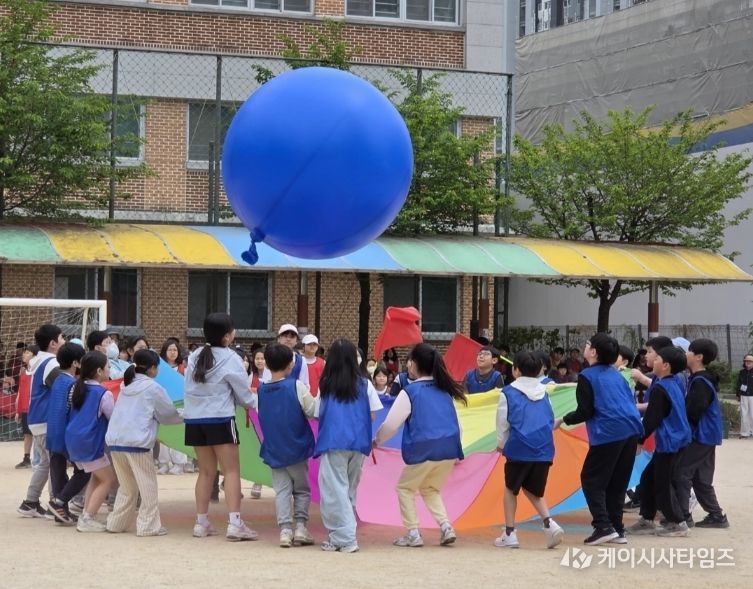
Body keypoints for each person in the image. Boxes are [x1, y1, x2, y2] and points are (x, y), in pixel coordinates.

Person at [554, 333, 643, 545]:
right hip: (630, 431)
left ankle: (603, 526)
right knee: (617, 483)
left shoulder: (587, 375)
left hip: (609, 432)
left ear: (593, 352)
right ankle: (617, 529)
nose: (585, 347)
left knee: (591, 479)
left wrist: (563, 419)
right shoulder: (617, 375)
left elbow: (585, 411)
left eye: (587, 344)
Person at [374, 343, 464, 548]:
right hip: (449, 448)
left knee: (405, 488)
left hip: (424, 448)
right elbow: (458, 423)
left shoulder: (410, 391)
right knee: (430, 489)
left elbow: (391, 424)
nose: (408, 365)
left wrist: (376, 440)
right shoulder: (446, 391)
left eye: (409, 362)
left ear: (414, 364)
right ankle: (446, 526)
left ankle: (413, 532)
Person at [184, 312, 258, 541]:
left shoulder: (194, 356)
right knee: (231, 471)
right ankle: (235, 524)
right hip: (220, 419)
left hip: (195, 420)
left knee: (206, 471)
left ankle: (201, 523)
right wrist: (258, 402)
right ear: (227, 336)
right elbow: (244, 396)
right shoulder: (231, 358)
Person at [314, 339, 383, 553]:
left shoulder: (326, 385)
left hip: (334, 441)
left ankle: (344, 537)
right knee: (348, 490)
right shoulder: (365, 384)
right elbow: (373, 414)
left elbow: (317, 413)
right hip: (358, 443)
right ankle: (341, 535)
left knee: (335, 491)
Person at [106, 349, 183, 537]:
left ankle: (116, 523)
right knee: (147, 486)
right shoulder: (153, 388)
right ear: (153, 368)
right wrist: (186, 414)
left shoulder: (127, 386)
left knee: (127, 487)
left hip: (115, 441)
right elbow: (168, 414)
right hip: (137, 443)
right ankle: (148, 526)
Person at [494, 351, 564, 549]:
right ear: (540, 370)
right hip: (544, 449)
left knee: (511, 489)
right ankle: (550, 523)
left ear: (515, 370)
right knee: (533, 490)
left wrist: (501, 445)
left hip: (519, 448)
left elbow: (502, 423)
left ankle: (509, 533)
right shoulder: (545, 393)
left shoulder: (507, 393)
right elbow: (549, 419)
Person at [627, 346, 692, 537]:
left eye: (657, 359)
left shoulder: (661, 388)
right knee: (648, 478)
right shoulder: (673, 382)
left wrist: (639, 440)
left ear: (665, 366)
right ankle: (647, 520)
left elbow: (652, 419)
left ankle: (678, 523)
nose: (652, 360)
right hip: (676, 439)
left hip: (671, 442)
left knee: (662, 483)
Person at [257, 344, 317, 548]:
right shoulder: (296, 386)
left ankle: (284, 530)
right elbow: (312, 411)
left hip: (274, 448)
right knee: (301, 490)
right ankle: (300, 527)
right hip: (297, 447)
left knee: (281, 490)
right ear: (291, 364)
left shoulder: (261, 390)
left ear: (267, 364)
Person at [674, 338, 730, 528]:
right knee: (700, 478)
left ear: (698, 356)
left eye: (689, 351)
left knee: (682, 472)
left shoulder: (700, 381)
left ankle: (683, 516)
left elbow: (693, 412)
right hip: (708, 435)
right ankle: (716, 516)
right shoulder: (700, 378)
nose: (685, 354)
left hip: (701, 435)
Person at [17, 324, 65, 518]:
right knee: (54, 464)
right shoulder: (52, 363)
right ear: (53, 343)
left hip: (36, 419)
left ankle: (30, 502)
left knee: (44, 464)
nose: (64, 341)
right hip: (46, 420)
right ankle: (55, 504)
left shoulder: (38, 361)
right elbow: (64, 388)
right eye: (62, 338)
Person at [65, 351, 116, 532]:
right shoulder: (103, 393)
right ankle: (87, 518)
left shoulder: (77, 388)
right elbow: (114, 418)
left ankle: (87, 514)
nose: (110, 369)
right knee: (108, 479)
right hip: (89, 442)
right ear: (99, 371)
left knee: (97, 477)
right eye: (108, 366)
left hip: (74, 440)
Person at [46, 342, 87, 525]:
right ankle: (59, 502)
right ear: (75, 363)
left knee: (58, 473)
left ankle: (61, 511)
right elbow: (74, 411)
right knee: (84, 471)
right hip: (66, 434)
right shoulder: (73, 384)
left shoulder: (57, 381)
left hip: (53, 433)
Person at [261, 324, 309, 389]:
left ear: (296, 341)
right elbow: (266, 381)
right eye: (285, 336)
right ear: (279, 339)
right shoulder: (271, 357)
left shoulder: (301, 360)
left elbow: (304, 384)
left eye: (292, 337)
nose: (288, 339)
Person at [14, 345, 38, 469]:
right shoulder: (23, 372)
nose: (24, 354)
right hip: (25, 408)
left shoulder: (39, 371)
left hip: (36, 407)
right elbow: (20, 392)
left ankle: (39, 459)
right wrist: (18, 410)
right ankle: (26, 458)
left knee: (38, 435)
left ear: (35, 356)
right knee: (27, 434)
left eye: (27, 352)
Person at [248, 347, 266, 500]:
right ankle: (257, 482)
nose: (260, 361)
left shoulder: (272, 377)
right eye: (257, 358)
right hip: (254, 420)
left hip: (269, 420)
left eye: (263, 358)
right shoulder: (250, 377)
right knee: (255, 451)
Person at [735, 354, 753, 439]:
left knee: (752, 414)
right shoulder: (742, 372)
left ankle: (751, 431)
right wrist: (738, 394)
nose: (748, 362)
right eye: (746, 361)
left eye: (750, 361)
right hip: (743, 396)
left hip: (752, 396)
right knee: (744, 414)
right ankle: (744, 433)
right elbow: (738, 384)